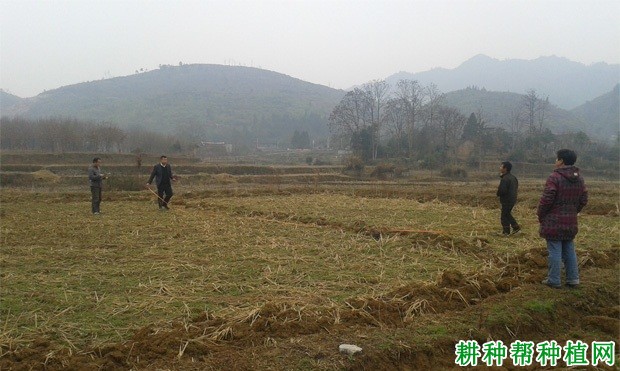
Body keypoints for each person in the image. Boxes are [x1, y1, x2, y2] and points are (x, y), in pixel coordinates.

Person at [538, 149, 588, 289]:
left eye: (556, 159)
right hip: (570, 221)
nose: (555, 161)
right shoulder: (580, 178)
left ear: (561, 161)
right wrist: (573, 210)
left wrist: (541, 214)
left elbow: (547, 199)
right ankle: (573, 279)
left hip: (554, 221)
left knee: (554, 249)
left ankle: (554, 279)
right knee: (569, 249)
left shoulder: (554, 177)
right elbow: (584, 198)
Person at [496, 161, 520, 236]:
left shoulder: (505, 179)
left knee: (504, 216)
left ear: (505, 169)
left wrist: (498, 193)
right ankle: (516, 228)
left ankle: (506, 232)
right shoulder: (513, 178)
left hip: (506, 200)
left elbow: (502, 191)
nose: (500, 168)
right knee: (507, 214)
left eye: (501, 166)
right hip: (512, 199)